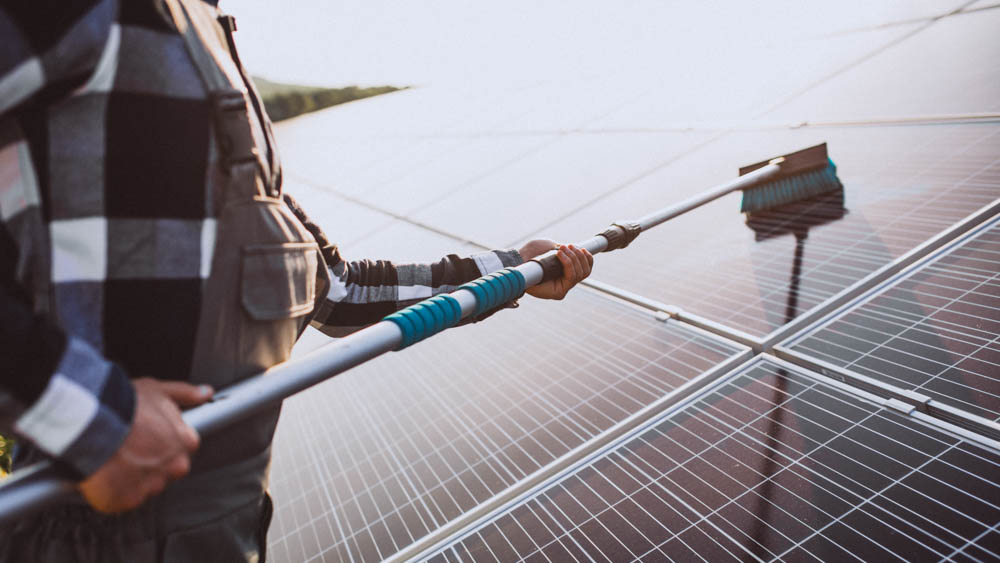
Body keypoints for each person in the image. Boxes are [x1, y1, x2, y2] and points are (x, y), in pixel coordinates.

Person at [0, 0, 592, 560]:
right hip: (85, 538)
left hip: (221, 532)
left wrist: (513, 269)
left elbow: (338, 291)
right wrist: (84, 415)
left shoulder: (205, 40)